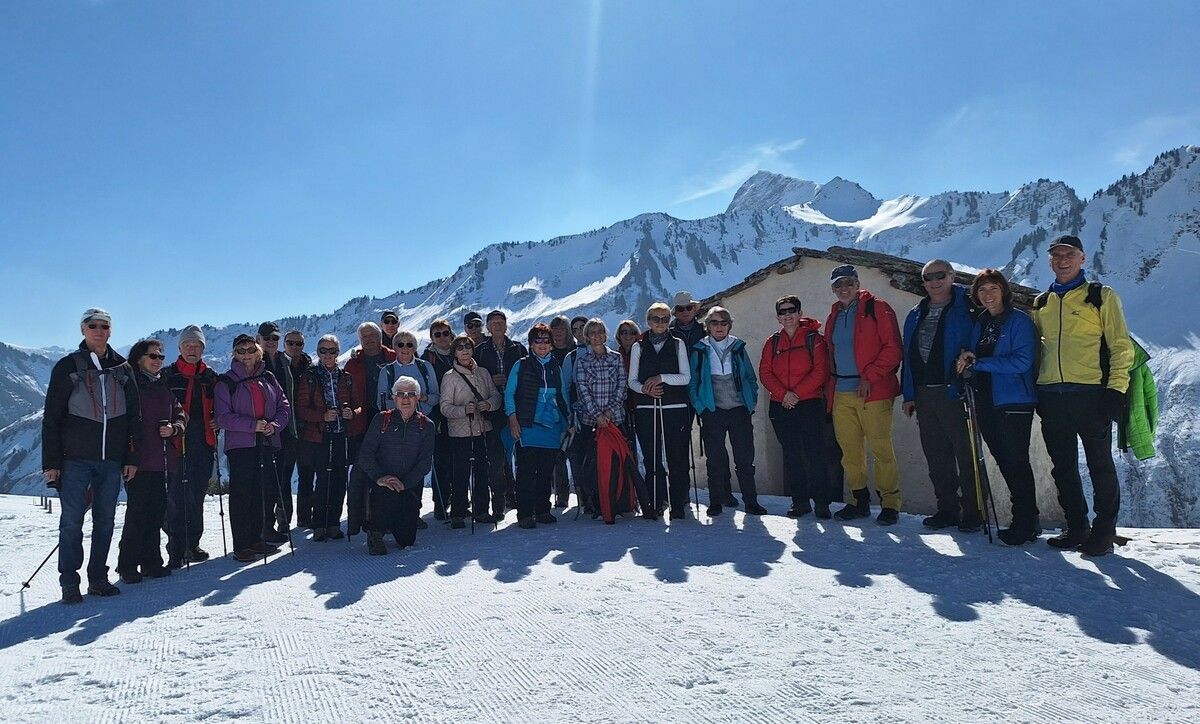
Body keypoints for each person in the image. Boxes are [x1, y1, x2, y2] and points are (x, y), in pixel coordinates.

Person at [1031, 235, 1134, 556]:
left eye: (1069, 255)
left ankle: (1104, 531)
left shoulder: (1101, 296)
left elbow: (1121, 345)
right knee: (1062, 466)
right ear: (1050, 260)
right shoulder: (1041, 303)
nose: (1062, 260)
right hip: (1051, 395)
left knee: (1099, 464)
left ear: (1082, 258)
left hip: (1091, 394)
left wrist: (1116, 389)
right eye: (1056, 255)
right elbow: (1039, 351)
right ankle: (1076, 527)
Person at [42, 308, 141, 603]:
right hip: (74, 459)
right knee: (71, 522)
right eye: (93, 325)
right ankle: (69, 582)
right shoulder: (67, 366)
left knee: (105, 522)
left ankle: (98, 578)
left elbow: (134, 417)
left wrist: (131, 457)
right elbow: (52, 417)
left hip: (112, 460)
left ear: (111, 331)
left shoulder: (123, 368)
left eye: (104, 326)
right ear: (82, 330)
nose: (99, 330)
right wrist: (51, 463)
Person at [955, 269, 1040, 546]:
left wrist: (980, 363)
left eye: (993, 288)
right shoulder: (982, 322)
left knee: (1016, 461)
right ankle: (1027, 518)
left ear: (1004, 290)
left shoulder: (1019, 321)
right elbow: (976, 355)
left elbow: (1022, 361)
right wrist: (969, 359)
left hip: (1014, 400)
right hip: (987, 400)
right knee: (1005, 461)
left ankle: (1024, 522)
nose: (987, 294)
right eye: (982, 290)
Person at [900, 260, 981, 532]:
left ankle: (973, 512)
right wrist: (909, 394)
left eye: (940, 276)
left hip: (955, 391)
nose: (934, 282)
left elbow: (978, 343)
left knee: (966, 455)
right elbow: (909, 357)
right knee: (936, 455)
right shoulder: (916, 313)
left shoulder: (968, 307)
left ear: (951, 276)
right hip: (925, 394)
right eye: (928, 277)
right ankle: (947, 509)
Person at [824, 265, 904, 525]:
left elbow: (893, 348)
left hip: (874, 391)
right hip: (842, 392)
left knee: (881, 449)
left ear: (858, 284)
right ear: (833, 289)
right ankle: (858, 500)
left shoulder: (877, 308)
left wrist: (869, 376)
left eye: (848, 283)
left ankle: (890, 504)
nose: (843, 289)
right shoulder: (835, 314)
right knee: (850, 452)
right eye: (838, 285)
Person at [214, 335, 291, 563]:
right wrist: (252, 426)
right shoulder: (226, 382)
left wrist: (274, 425)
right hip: (240, 446)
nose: (246, 354)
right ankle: (242, 545)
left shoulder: (267, 376)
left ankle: (257, 538)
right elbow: (222, 417)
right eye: (241, 350)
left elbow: (283, 405)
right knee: (241, 494)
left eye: (250, 350)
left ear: (258, 351)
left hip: (266, 442)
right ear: (234, 354)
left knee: (262, 491)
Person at [117, 340, 184, 583]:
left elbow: (180, 414)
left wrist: (175, 428)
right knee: (137, 513)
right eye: (152, 356)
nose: (157, 360)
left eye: (160, 357)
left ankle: (151, 562)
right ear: (139, 359)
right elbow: (123, 424)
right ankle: (127, 565)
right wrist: (128, 456)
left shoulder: (163, 385)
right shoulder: (129, 385)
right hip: (137, 460)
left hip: (160, 459)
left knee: (155, 512)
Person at [759, 296, 832, 517]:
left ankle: (822, 502)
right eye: (782, 312)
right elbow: (765, 372)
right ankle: (800, 501)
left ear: (800, 313)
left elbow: (820, 371)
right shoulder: (772, 342)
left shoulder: (814, 339)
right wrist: (784, 395)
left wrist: (796, 394)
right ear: (778, 317)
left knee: (815, 452)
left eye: (791, 310)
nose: (787, 315)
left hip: (809, 403)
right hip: (781, 405)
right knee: (791, 454)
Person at [689, 307, 765, 516]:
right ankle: (716, 502)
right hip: (712, 411)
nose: (719, 327)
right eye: (714, 323)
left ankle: (751, 502)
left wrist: (750, 403)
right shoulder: (700, 350)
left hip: (739, 410)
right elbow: (693, 383)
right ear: (708, 326)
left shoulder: (738, 347)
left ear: (729, 325)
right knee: (715, 460)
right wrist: (701, 407)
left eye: (723, 323)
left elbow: (750, 378)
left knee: (744, 459)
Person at [355, 376, 435, 555]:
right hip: (381, 485)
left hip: (408, 486)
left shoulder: (426, 425)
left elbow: (424, 463)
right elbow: (365, 455)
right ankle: (375, 531)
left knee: (407, 540)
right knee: (383, 498)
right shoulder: (381, 420)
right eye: (400, 394)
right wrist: (380, 478)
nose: (405, 399)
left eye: (411, 394)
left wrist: (405, 483)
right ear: (394, 398)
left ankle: (394, 524)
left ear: (418, 397)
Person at [629, 302, 693, 521]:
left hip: (675, 407)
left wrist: (661, 378)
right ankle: (655, 502)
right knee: (652, 459)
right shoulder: (638, 346)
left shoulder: (677, 344)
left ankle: (678, 505)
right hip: (647, 409)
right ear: (648, 321)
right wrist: (645, 389)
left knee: (677, 458)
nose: (660, 323)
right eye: (656, 319)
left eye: (665, 319)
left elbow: (685, 377)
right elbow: (632, 381)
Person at [505, 324, 571, 529]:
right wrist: (512, 417)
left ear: (551, 345)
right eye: (538, 340)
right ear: (531, 344)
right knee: (526, 471)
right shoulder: (521, 365)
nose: (542, 344)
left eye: (546, 340)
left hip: (551, 425)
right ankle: (525, 514)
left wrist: (568, 420)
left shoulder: (555, 367)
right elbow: (509, 393)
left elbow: (562, 395)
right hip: (527, 424)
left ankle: (542, 510)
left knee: (545, 471)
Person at [162, 324, 217, 567]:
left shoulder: (210, 377)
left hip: (203, 442)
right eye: (187, 345)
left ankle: (192, 544)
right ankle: (176, 547)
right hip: (176, 442)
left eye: (197, 345)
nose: (192, 349)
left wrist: (219, 419)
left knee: (197, 494)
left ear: (203, 348)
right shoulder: (168, 375)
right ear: (180, 347)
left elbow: (220, 405)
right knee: (176, 496)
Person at [297, 334, 360, 541]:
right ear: (318, 352)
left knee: (340, 479)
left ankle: (333, 523)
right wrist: (322, 416)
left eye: (332, 351)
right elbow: (301, 409)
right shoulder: (309, 377)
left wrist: (352, 412)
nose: (327, 355)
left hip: (342, 434)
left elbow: (357, 405)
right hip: (319, 436)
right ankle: (319, 524)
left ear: (337, 353)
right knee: (323, 479)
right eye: (323, 350)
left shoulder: (346, 377)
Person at [439, 335, 503, 528]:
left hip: (482, 429)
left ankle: (482, 510)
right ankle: (458, 513)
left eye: (467, 346)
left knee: (483, 471)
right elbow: (444, 407)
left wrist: (488, 404)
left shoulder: (483, 372)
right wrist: (462, 410)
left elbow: (496, 396)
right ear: (454, 353)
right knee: (460, 473)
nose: (464, 350)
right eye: (459, 348)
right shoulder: (449, 377)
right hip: (460, 433)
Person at [378, 330, 440, 526]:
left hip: (420, 424)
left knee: (417, 468)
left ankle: (413, 513)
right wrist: (402, 409)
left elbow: (436, 396)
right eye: (401, 344)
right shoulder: (387, 371)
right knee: (395, 467)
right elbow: (381, 401)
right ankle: (395, 513)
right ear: (394, 347)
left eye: (409, 344)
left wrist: (422, 400)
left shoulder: (425, 367)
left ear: (415, 347)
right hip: (394, 427)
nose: (405, 348)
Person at [572, 319, 627, 516]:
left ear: (605, 334)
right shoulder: (582, 362)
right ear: (586, 337)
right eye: (592, 332)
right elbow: (582, 390)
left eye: (600, 331)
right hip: (591, 422)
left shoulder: (616, 358)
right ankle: (595, 503)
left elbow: (622, 386)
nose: (596, 336)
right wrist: (598, 415)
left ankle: (618, 501)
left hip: (615, 420)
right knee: (593, 465)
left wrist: (609, 412)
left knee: (617, 463)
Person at [475, 309, 527, 509]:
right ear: (487, 327)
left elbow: (527, 376)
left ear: (506, 326)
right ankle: (499, 501)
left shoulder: (518, 349)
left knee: (521, 455)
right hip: (493, 411)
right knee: (496, 456)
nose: (497, 325)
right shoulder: (480, 351)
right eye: (493, 322)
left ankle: (520, 498)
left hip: (517, 408)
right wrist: (491, 380)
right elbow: (474, 379)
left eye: (501, 322)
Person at [257, 321, 297, 543]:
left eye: (275, 338)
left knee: (283, 476)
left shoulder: (284, 360)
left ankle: (283, 522)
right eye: (267, 338)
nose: (271, 342)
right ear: (259, 340)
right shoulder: (255, 362)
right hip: (265, 429)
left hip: (286, 427)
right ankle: (265, 525)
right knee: (268, 481)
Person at [421, 319, 456, 520]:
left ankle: (458, 500)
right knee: (441, 460)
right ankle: (441, 503)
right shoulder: (427, 359)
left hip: (459, 413)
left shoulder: (458, 352)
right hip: (437, 415)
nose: (442, 337)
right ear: (432, 338)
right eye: (437, 334)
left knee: (457, 459)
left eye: (445, 333)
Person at [615, 320, 641, 457]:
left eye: (632, 332)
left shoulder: (643, 353)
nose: (628, 335)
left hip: (641, 404)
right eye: (624, 332)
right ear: (618, 335)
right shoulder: (614, 356)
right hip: (622, 407)